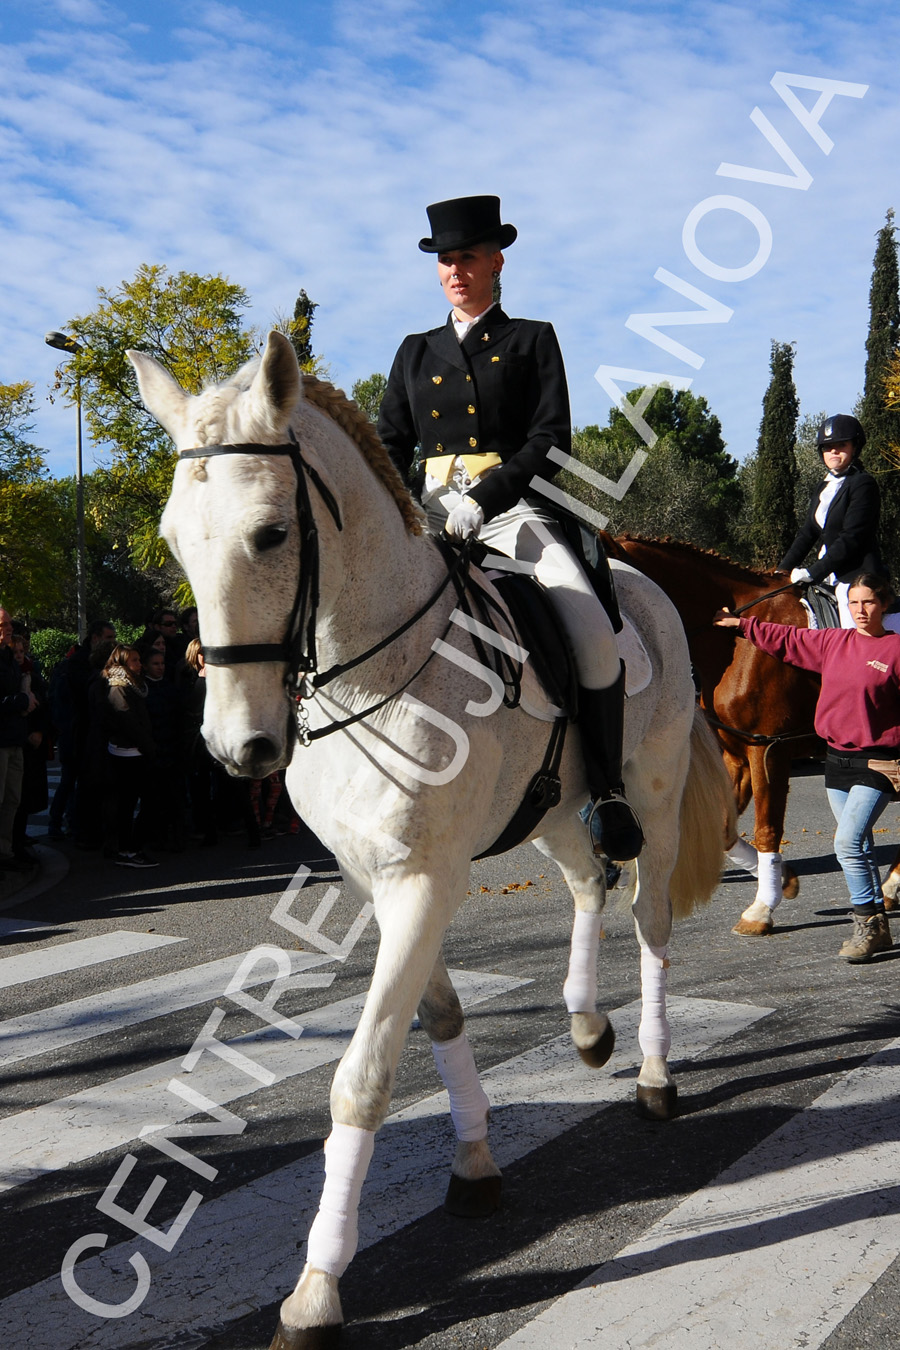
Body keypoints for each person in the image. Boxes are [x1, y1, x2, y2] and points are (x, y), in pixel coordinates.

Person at [376, 194, 642, 861]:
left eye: (467, 256)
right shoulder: (415, 351)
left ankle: (607, 791)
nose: (455, 269)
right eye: (445, 260)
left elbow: (550, 438)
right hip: (428, 516)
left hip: (508, 512)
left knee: (588, 626)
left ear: (496, 261)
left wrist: (485, 498)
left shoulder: (531, 339)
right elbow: (387, 443)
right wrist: (404, 506)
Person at [714, 572, 900, 962]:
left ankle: (867, 924)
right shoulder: (834, 642)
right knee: (860, 846)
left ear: (883, 604)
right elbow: (786, 640)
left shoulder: (895, 650)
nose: (861, 611)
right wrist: (741, 624)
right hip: (837, 761)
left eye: (868, 602)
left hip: (879, 761)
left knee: (847, 843)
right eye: (854, 604)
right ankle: (878, 926)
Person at [779, 414, 885, 628]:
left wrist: (813, 572)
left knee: (850, 629)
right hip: (826, 577)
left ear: (854, 448)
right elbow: (808, 533)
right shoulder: (823, 488)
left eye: (841, 445)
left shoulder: (863, 484)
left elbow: (852, 537)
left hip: (855, 578)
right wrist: (781, 570)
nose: (833, 451)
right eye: (828, 447)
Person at [101, 644, 158, 868]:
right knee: (129, 803)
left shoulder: (134, 684)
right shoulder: (118, 687)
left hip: (137, 751)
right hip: (127, 753)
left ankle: (131, 846)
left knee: (138, 801)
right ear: (123, 663)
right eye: (134, 660)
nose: (139, 664)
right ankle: (127, 849)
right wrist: (148, 746)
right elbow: (128, 722)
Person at [0, 607, 37, 872]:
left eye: (9, 623)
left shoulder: (8, 657)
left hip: (14, 737)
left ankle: (5, 852)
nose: (9, 628)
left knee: (12, 799)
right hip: (1, 739)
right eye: (3, 625)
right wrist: (22, 700)